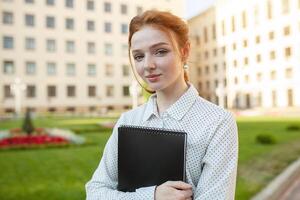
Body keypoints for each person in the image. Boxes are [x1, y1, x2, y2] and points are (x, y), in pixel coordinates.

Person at [86, 10, 238, 200]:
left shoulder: (218, 122)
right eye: (139, 56)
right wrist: (153, 196)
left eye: (160, 51)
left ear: (184, 51)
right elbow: (95, 192)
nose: (148, 65)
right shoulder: (128, 121)